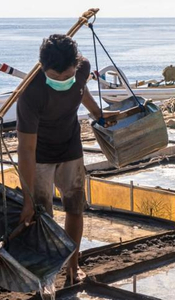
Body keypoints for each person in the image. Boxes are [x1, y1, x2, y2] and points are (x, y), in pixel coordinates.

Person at [16, 34, 114, 284]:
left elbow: (81, 91)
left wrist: (99, 114)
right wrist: (27, 198)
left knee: (75, 206)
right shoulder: (30, 92)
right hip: (39, 156)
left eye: (67, 76)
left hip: (70, 147)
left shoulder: (82, 69)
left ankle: (72, 265)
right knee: (41, 215)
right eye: (55, 77)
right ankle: (45, 272)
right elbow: (26, 149)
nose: (62, 81)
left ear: (75, 67)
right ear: (42, 67)